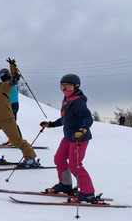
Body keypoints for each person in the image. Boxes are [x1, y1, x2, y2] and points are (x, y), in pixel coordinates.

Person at [40, 74, 97, 203]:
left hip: (79, 139)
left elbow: (88, 118)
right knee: (59, 158)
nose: (65, 90)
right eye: (62, 86)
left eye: (69, 87)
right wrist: (51, 124)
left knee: (75, 165)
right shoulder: (67, 100)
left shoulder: (78, 102)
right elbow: (66, 119)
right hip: (69, 137)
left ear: (76, 87)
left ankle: (88, 193)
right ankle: (66, 184)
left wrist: (82, 130)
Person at [0, 67, 22, 142]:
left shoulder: (11, 81)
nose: (1, 76)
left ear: (7, 74)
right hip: (8, 105)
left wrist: (12, 65)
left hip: (13, 104)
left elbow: (14, 74)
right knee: (9, 122)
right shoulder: (4, 84)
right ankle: (13, 138)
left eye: (2, 74)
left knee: (12, 122)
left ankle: (18, 139)